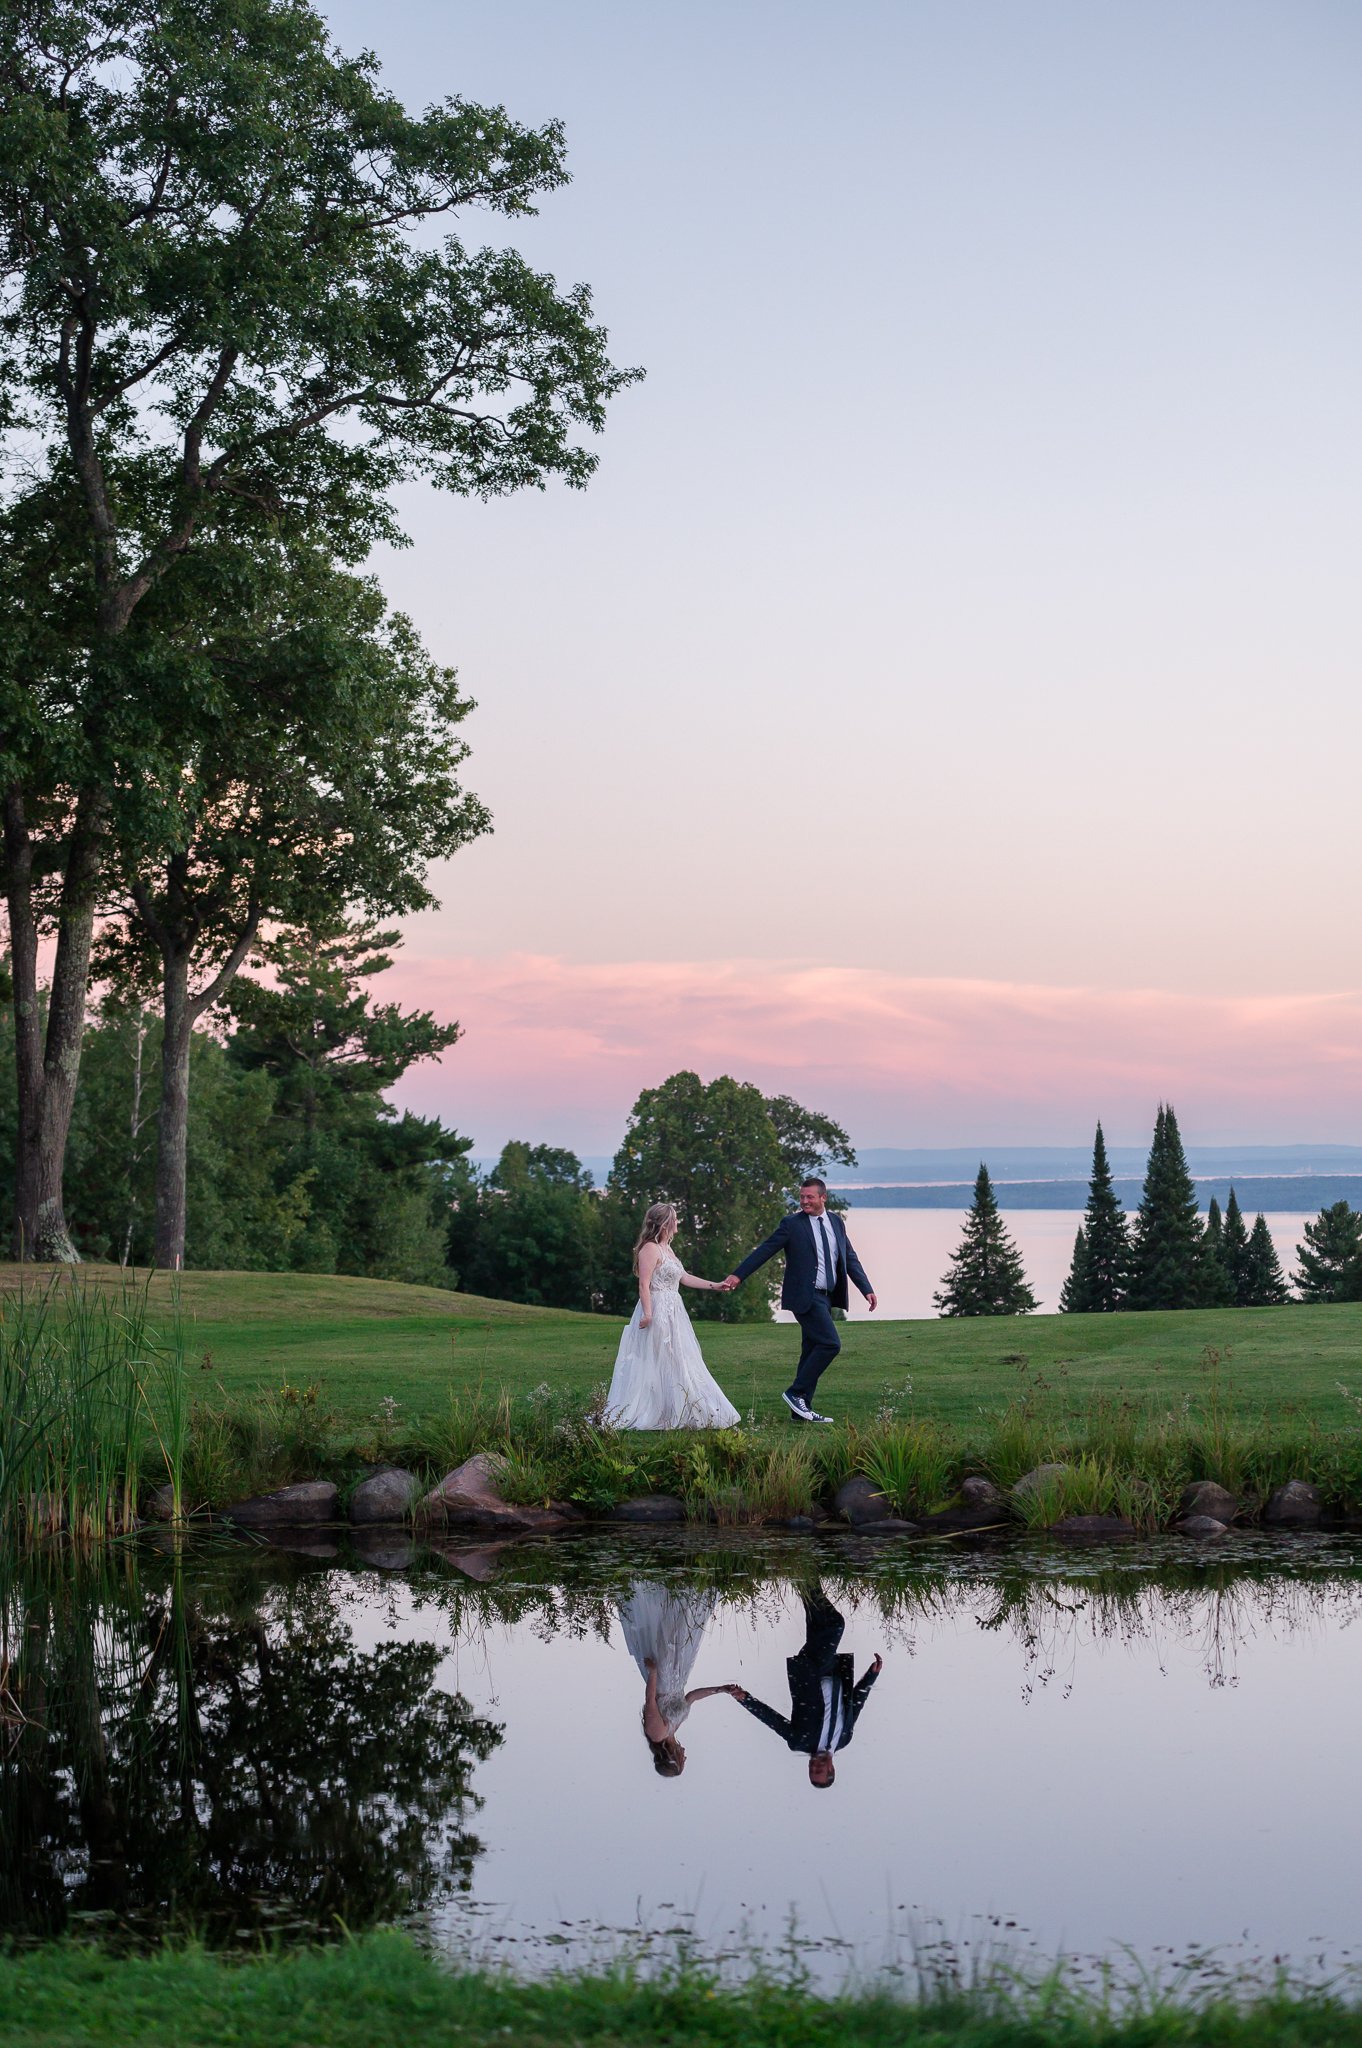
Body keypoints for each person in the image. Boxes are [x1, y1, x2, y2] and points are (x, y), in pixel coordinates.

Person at [719, 1177, 876, 1422]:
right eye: (802, 1197)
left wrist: (865, 1288)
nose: (804, 1201)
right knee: (830, 1344)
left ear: (823, 1197)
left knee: (811, 1349)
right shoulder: (792, 1224)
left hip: (826, 1297)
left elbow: (849, 1257)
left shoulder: (836, 1222)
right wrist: (738, 1275)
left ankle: (800, 1411)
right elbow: (765, 1250)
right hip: (805, 1296)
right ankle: (796, 1392)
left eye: (810, 1197)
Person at [722, 1584, 882, 1788]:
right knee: (818, 1625)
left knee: (834, 1625)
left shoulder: (799, 1742)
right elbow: (855, 1706)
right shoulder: (844, 1739)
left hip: (810, 1673)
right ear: (831, 1769)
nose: (814, 1767)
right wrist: (871, 1676)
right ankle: (803, 1576)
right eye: (819, 1771)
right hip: (832, 1671)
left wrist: (746, 1700)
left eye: (811, 1771)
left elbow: (773, 1721)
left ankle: (806, 1576)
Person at [603, 1201, 740, 1429]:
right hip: (657, 1308)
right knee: (658, 1358)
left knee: (677, 1359)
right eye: (674, 1219)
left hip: (674, 1309)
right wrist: (648, 1314)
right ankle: (654, 1410)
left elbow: (684, 1278)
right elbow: (644, 1285)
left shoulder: (667, 1249)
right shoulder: (650, 1248)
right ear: (665, 1223)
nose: (677, 1222)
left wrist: (716, 1285)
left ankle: (677, 1408)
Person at [618, 1579, 730, 1777]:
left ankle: (670, 1584)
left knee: (670, 1632)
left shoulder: (657, 1734)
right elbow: (691, 1698)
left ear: (673, 1758)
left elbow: (650, 1700)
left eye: (682, 1761)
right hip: (678, 1676)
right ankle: (685, 1584)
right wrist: (720, 1689)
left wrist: (653, 1672)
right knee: (682, 1629)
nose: (685, 1756)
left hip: (664, 1677)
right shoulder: (672, 1729)